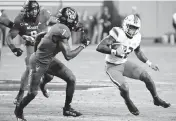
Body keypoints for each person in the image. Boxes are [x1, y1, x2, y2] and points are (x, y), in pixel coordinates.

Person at [14, 7, 90, 120]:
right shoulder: (63, 31)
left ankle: (67, 108)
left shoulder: (58, 26)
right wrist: (83, 45)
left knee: (71, 78)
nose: (75, 23)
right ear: (69, 20)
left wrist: (38, 50)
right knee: (32, 94)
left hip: (47, 59)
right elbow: (68, 55)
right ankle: (18, 110)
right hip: (39, 63)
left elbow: (41, 36)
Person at [96, 14, 170, 116]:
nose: (132, 30)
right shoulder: (117, 33)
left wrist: (149, 63)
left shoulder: (137, 37)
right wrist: (114, 51)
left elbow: (138, 52)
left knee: (146, 77)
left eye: (135, 28)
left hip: (124, 64)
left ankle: (156, 99)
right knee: (125, 87)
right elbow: (99, 47)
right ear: (126, 25)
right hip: (112, 66)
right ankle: (128, 101)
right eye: (131, 27)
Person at [6, 0, 54, 106]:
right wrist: (14, 48)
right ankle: (20, 93)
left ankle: (43, 84)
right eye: (31, 10)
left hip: (44, 45)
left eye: (36, 10)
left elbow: (55, 21)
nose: (34, 12)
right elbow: (10, 36)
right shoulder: (20, 19)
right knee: (29, 68)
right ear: (26, 10)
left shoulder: (44, 14)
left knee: (50, 75)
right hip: (31, 45)